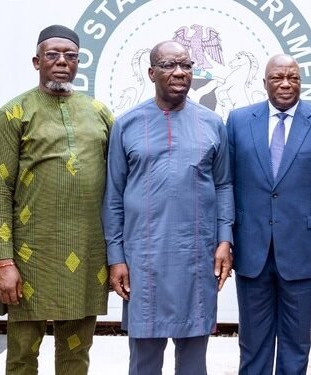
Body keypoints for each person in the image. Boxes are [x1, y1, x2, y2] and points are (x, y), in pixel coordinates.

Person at [0, 25, 113, 374]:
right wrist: (3, 261)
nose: (62, 62)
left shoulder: (99, 112)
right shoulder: (13, 113)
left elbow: (117, 186)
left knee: (77, 353)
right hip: (29, 255)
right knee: (23, 355)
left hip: (87, 254)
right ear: (36, 61)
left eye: (70, 56)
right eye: (53, 55)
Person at [102, 40, 234, 374]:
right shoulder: (128, 124)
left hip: (197, 257)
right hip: (143, 260)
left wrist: (224, 240)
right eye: (169, 65)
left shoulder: (212, 123)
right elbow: (113, 195)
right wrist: (116, 256)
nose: (179, 72)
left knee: (193, 358)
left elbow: (224, 185)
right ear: (151, 72)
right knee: (144, 359)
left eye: (186, 65)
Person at [226, 54, 311, 374]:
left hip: (303, 251)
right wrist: (225, 240)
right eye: (277, 77)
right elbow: (226, 185)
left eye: (293, 78)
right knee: (252, 343)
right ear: (264, 83)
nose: (286, 84)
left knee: (296, 343)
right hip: (251, 250)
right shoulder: (237, 121)